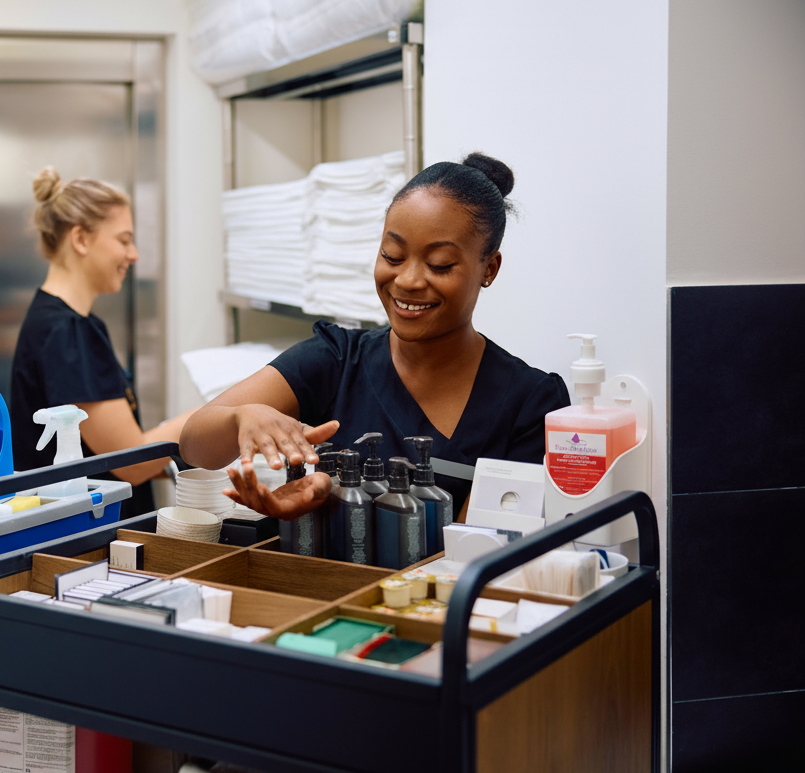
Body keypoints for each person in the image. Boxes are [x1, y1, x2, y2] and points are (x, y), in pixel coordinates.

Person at [180, 153, 570, 521]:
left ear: (490, 268)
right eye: (392, 256)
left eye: (439, 264)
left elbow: (476, 550)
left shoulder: (529, 403)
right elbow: (195, 446)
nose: (408, 280)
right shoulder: (336, 359)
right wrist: (242, 418)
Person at [11, 167, 197, 516]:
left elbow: (109, 453)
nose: (134, 255)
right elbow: (130, 462)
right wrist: (213, 415)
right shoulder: (67, 333)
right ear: (80, 239)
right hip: (88, 538)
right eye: (124, 240)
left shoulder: (66, 323)